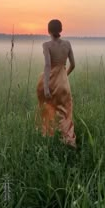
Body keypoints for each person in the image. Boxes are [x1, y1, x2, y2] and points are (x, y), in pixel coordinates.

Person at [35, 19, 76, 148]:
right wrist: (63, 75)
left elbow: (47, 66)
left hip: (50, 82)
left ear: (48, 30)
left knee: (47, 109)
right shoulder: (67, 44)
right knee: (65, 113)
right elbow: (73, 65)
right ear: (61, 30)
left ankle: (48, 137)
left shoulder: (46, 45)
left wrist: (46, 87)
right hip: (63, 84)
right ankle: (68, 142)